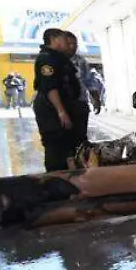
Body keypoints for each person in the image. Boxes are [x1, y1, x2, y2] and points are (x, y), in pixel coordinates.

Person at [33, 27, 86, 171]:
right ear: (54, 39)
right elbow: (50, 88)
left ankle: (70, 177)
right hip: (51, 109)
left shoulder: (59, 58)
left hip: (64, 105)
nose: (67, 43)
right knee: (56, 146)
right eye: (64, 39)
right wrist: (61, 111)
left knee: (69, 144)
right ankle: (54, 180)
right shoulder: (47, 59)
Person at [64, 31, 104, 145]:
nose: (73, 47)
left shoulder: (80, 61)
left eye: (75, 44)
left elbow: (89, 81)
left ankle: (81, 160)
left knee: (80, 137)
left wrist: (96, 100)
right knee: (64, 140)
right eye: (69, 44)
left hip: (80, 103)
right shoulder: (56, 60)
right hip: (63, 105)